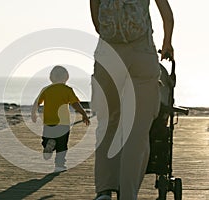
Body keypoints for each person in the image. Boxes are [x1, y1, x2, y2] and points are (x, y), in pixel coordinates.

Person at [90, 0, 174, 199]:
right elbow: (167, 16)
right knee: (137, 130)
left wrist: (108, 34)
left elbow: (95, 14)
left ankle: (105, 190)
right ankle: (128, 194)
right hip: (141, 54)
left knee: (109, 122)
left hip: (108, 53)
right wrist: (167, 43)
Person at [31, 65, 90, 173]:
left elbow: (37, 103)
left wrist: (33, 113)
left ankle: (48, 143)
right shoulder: (67, 90)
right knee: (62, 145)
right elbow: (75, 104)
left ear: (51, 78)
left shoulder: (46, 89)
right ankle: (59, 165)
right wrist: (84, 114)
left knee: (46, 139)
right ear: (66, 78)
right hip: (63, 123)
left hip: (49, 122)